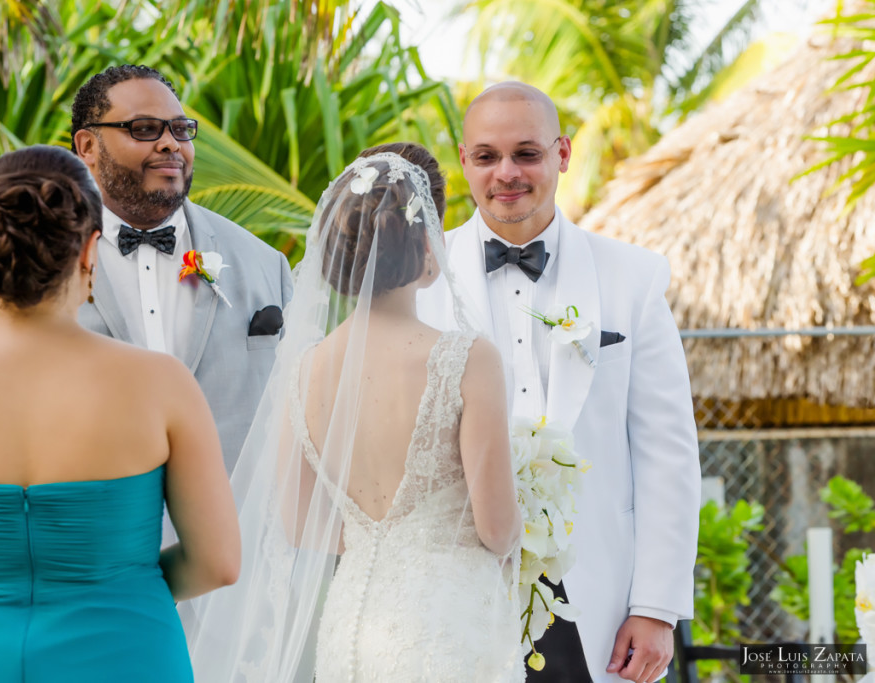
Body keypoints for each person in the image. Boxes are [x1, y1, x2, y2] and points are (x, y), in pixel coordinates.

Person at [0, 145, 240, 681]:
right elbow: (218, 563)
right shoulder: (161, 385)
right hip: (128, 653)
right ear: (89, 251)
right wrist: (120, 587)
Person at [187, 143, 525, 682]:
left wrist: (377, 543)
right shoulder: (466, 359)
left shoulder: (302, 369)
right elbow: (498, 528)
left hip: (352, 626)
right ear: (427, 243)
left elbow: (299, 522)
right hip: (447, 624)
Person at [0, 65, 293, 478]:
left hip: (237, 537)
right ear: (87, 145)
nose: (170, 144)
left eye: (181, 129)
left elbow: (299, 418)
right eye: (144, 128)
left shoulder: (264, 263)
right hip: (65, 528)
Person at [418, 82, 701, 683]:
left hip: (598, 606)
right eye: (488, 156)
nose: (507, 173)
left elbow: (667, 453)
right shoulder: (418, 285)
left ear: (562, 154)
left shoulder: (636, 277)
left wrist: (656, 607)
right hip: (458, 597)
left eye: (527, 153)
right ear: (464, 161)